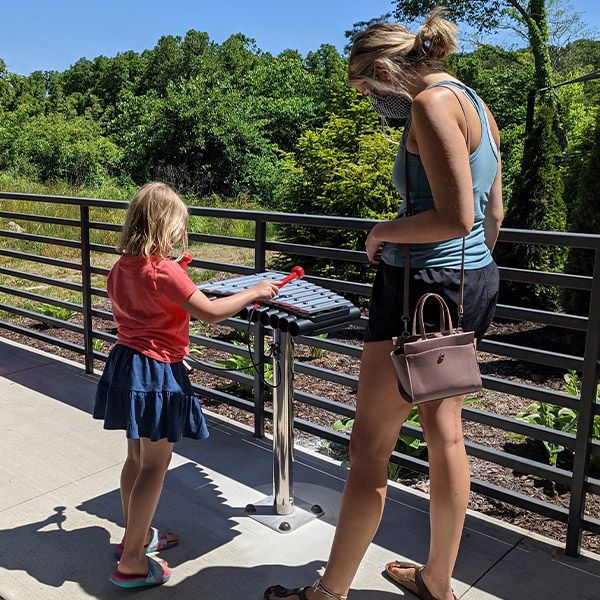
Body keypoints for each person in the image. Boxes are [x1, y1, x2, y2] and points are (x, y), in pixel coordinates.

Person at [265, 7, 503, 600]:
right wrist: (462, 273)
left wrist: (383, 233)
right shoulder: (475, 102)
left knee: (369, 448)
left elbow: (455, 216)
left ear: (382, 70)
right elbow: (492, 215)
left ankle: (328, 592)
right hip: (468, 283)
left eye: (368, 89)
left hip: (418, 290)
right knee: (445, 435)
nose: (372, 103)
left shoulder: (427, 105)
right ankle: (437, 584)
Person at [93, 182, 279, 589]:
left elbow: (148, 306)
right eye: (179, 225)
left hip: (127, 367)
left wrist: (177, 277)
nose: (182, 232)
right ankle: (133, 562)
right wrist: (254, 291)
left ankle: (133, 537)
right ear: (165, 225)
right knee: (155, 468)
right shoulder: (165, 270)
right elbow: (211, 314)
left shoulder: (122, 266)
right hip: (158, 372)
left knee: (136, 460)